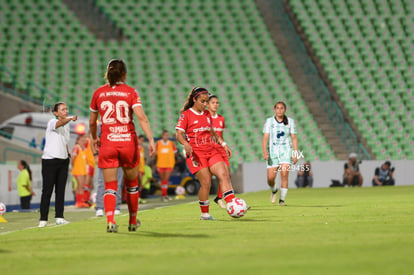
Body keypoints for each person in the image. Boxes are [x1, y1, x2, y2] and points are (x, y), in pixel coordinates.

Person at [89, 59, 155, 233]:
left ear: (107, 73)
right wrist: (151, 139)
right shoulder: (130, 92)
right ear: (124, 75)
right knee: (132, 184)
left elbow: (92, 122)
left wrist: (95, 137)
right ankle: (133, 221)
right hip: (127, 142)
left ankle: (110, 221)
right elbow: (142, 118)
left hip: (108, 143)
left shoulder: (98, 93)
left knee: (110, 185)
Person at [176, 86, 243, 220]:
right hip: (196, 153)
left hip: (211, 150)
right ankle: (205, 214)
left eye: (207, 101)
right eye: (203, 101)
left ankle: (232, 204)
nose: (205, 104)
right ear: (195, 100)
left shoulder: (206, 114)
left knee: (224, 174)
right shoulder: (186, 115)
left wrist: (223, 144)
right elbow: (179, 134)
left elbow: (211, 131)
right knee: (206, 182)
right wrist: (186, 144)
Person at [39, 102, 77, 227]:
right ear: (56, 113)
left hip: (63, 161)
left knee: (60, 191)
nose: (66, 111)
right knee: (47, 191)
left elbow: (64, 141)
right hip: (50, 160)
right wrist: (70, 118)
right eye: (63, 109)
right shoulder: (52, 121)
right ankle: (43, 219)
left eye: (66, 109)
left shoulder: (66, 126)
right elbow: (59, 123)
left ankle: (59, 217)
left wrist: (67, 152)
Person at [262, 101, 298, 206]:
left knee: (284, 174)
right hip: (273, 153)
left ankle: (282, 200)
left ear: (284, 110)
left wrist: (295, 153)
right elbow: (265, 138)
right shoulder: (269, 121)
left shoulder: (290, 122)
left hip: (286, 151)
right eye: (277, 108)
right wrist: (264, 151)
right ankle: (274, 190)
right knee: (270, 179)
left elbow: (294, 138)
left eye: (281, 108)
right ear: (274, 109)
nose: (279, 110)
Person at [207, 94, 228, 209]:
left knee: (227, 174)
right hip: (209, 150)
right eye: (213, 102)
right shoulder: (205, 118)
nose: (215, 105)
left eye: (217, 103)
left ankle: (220, 198)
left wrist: (224, 145)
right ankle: (205, 207)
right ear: (208, 105)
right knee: (208, 178)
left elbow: (221, 136)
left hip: (220, 149)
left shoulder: (221, 119)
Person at [155, 130, 177, 202]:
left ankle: (165, 195)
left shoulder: (171, 143)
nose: (166, 136)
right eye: (165, 135)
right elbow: (155, 153)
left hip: (169, 164)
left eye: (167, 135)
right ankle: (164, 195)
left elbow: (175, 153)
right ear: (162, 136)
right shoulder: (158, 143)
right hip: (160, 164)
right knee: (162, 180)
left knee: (166, 179)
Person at [71, 134, 89, 208]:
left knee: (81, 186)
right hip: (78, 170)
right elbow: (72, 159)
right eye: (82, 140)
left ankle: (81, 201)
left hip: (83, 170)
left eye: (84, 140)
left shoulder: (83, 149)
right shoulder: (76, 148)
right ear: (78, 140)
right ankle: (78, 202)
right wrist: (73, 166)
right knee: (79, 186)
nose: (83, 141)